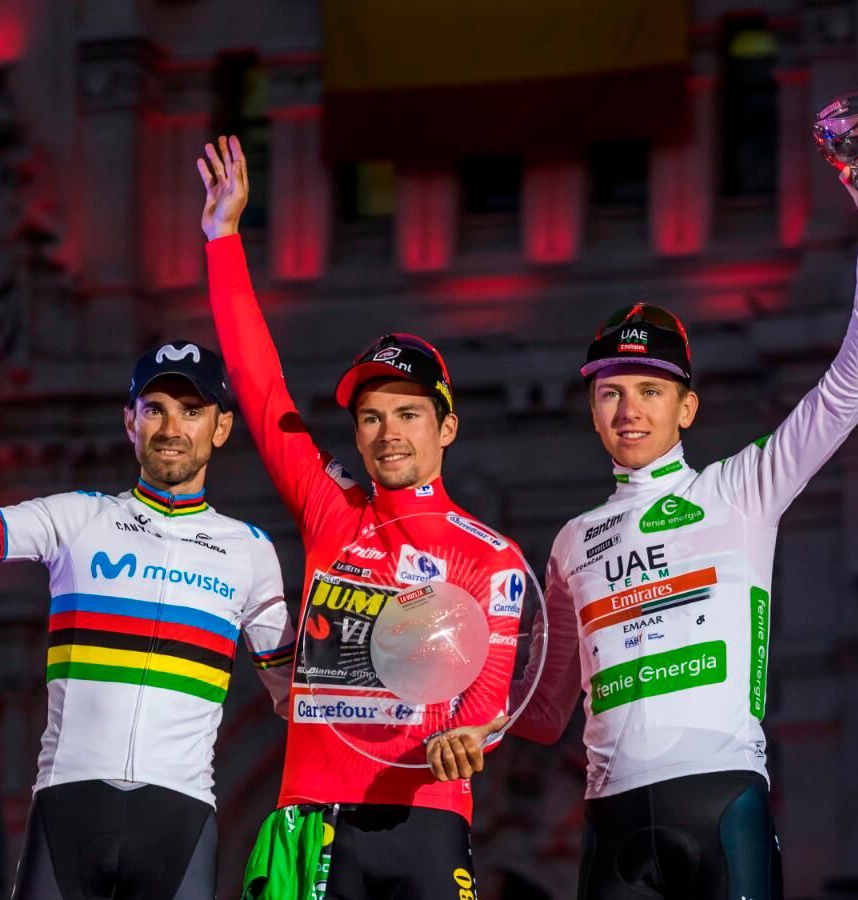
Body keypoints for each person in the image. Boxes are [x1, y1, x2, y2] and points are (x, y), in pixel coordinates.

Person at [513, 136, 858, 899]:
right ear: (592, 411)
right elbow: (543, 713)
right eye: (610, 393)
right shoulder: (571, 542)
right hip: (610, 820)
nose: (629, 410)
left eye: (650, 391)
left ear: (687, 408)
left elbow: (854, 386)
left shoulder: (741, 488)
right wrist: (451, 678)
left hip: (721, 802)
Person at [0, 329, 294, 900]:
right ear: (130, 421)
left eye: (192, 411)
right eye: (154, 409)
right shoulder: (76, 519)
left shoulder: (249, 551)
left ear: (222, 427)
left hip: (181, 823)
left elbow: (294, 697)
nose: (171, 428)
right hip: (68, 810)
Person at [198, 135, 525, 900]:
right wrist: (223, 239)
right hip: (315, 818)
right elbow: (259, 386)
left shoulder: (491, 555)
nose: (388, 433)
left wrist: (469, 737)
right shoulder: (331, 511)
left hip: (427, 819)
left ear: (446, 428)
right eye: (371, 417)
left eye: (408, 414)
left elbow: (490, 699)